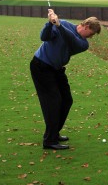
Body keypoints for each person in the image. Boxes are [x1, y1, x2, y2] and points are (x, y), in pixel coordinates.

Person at [30, 9, 101, 150]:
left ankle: (54, 132)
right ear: (87, 27)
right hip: (41, 66)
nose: (91, 37)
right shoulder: (63, 25)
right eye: (91, 34)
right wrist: (49, 23)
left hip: (57, 69)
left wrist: (58, 25)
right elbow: (44, 37)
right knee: (53, 101)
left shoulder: (83, 43)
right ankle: (49, 140)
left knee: (67, 100)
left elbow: (71, 39)